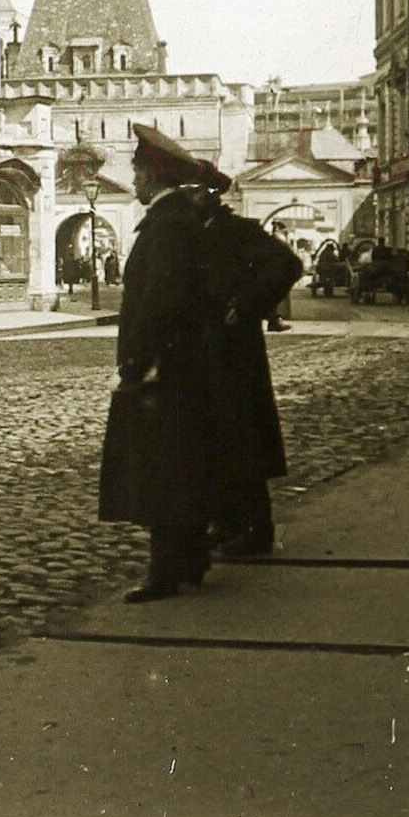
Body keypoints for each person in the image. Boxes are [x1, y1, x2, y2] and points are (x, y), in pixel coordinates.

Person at [98, 125, 300, 603]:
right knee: (185, 468)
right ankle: (191, 560)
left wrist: (136, 361)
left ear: (153, 174)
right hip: (190, 366)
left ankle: (169, 572)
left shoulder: (167, 225)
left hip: (168, 369)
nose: (135, 181)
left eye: (137, 171)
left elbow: (159, 301)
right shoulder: (179, 223)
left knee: (162, 473)